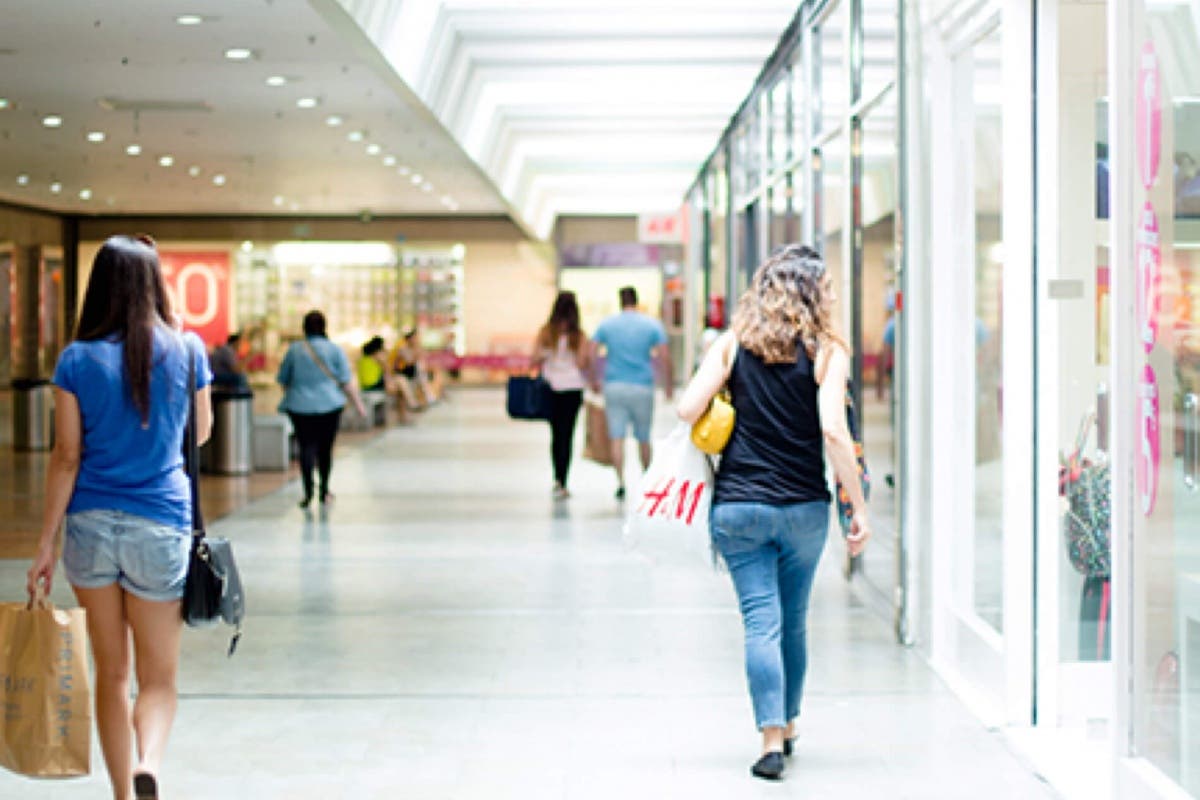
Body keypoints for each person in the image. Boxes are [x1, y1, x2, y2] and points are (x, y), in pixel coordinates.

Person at [25, 234, 214, 800]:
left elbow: (66, 457)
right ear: (155, 286)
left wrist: (44, 545)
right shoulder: (187, 349)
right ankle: (148, 761)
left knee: (111, 674)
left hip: (89, 530)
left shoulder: (75, 358)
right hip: (160, 524)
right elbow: (199, 435)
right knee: (159, 678)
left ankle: (121, 795)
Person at [676, 244, 871, 781]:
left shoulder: (732, 343)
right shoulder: (828, 350)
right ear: (814, 294)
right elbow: (834, 430)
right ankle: (786, 723)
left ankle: (769, 739)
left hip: (738, 506)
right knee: (794, 622)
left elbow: (687, 408)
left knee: (760, 621)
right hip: (804, 508)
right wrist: (856, 505)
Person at [277, 310, 366, 508]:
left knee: (306, 448)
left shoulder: (294, 350)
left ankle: (308, 492)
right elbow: (345, 381)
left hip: (299, 406)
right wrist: (359, 405)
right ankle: (324, 489)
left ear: (304, 327)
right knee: (325, 449)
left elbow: (283, 379)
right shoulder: (334, 350)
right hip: (330, 405)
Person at [591, 286, 672, 499]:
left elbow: (591, 350)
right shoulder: (651, 325)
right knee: (644, 437)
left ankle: (620, 482)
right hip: (642, 387)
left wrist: (594, 379)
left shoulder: (607, 324)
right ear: (636, 301)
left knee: (616, 437)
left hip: (614, 386)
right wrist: (669, 385)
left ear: (620, 301)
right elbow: (664, 356)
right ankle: (646, 480)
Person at [530, 291, 592, 499]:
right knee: (568, 434)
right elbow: (584, 363)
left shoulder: (546, 333)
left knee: (556, 435)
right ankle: (563, 480)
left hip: (551, 387)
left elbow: (534, 358)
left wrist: (550, 354)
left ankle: (558, 478)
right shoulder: (580, 336)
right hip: (573, 389)